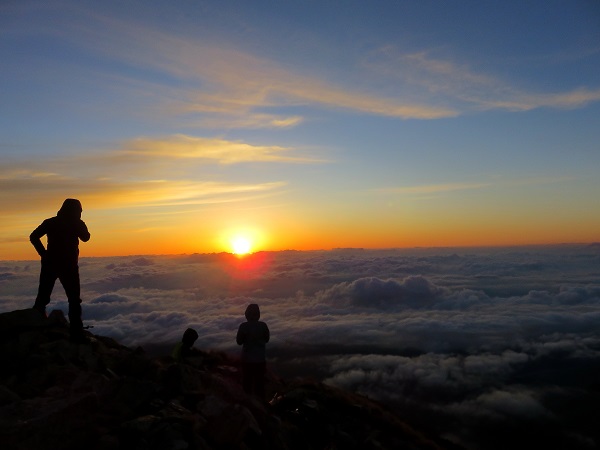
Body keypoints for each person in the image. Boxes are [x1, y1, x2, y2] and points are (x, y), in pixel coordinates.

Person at [30, 198, 90, 342]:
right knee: (74, 300)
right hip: (69, 266)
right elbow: (86, 238)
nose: (80, 213)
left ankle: (35, 325)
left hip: (50, 264)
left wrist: (43, 254)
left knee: (43, 297)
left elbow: (33, 237)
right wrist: (80, 224)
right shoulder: (76, 223)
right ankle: (76, 333)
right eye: (80, 211)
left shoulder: (50, 222)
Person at [236, 303, 270, 399]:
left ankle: (249, 404)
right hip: (260, 360)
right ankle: (261, 406)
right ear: (258, 314)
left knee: (247, 383)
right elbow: (267, 339)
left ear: (246, 314)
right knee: (259, 384)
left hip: (246, 360)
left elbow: (239, 342)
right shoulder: (263, 326)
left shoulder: (243, 326)